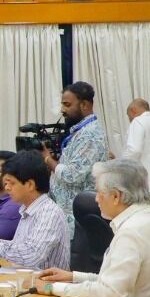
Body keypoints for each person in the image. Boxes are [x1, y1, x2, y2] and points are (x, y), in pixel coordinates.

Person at [34, 160, 150, 297]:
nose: (96, 199)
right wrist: (73, 277)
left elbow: (110, 292)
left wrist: (51, 288)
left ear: (116, 197)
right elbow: (114, 282)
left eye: (99, 193)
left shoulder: (131, 231)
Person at [44, 81, 109, 238]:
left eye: (67, 105)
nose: (62, 110)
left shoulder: (90, 134)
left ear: (84, 105)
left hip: (76, 220)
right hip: (66, 216)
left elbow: (72, 175)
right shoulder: (80, 132)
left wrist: (47, 159)